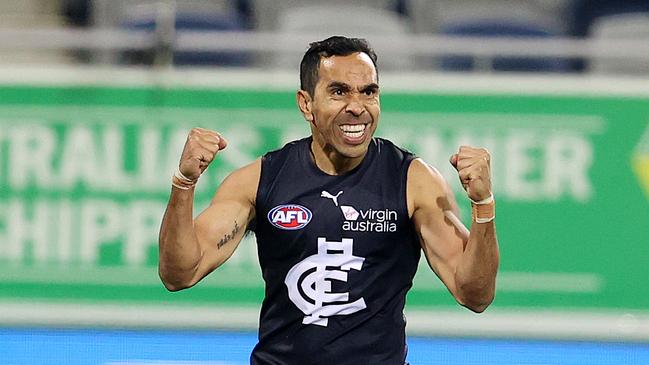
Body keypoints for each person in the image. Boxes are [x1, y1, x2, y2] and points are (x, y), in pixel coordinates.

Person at [159, 36, 499, 365]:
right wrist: (184, 183)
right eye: (339, 92)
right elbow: (180, 273)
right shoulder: (260, 179)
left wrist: (483, 207)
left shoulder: (414, 181)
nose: (357, 107)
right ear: (306, 104)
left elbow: (475, 295)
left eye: (369, 92)